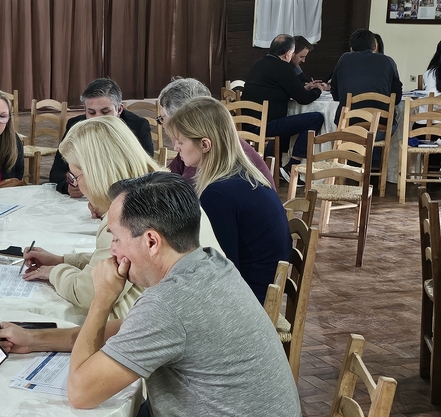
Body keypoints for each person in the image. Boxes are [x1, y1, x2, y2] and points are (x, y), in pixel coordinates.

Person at [0, 171, 305, 417]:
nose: (113, 251)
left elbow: (81, 392)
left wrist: (102, 298)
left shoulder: (170, 304)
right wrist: (35, 340)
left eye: (116, 239)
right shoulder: (207, 265)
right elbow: (125, 331)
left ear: (151, 241)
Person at [22, 116, 223, 316]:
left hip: (159, 321)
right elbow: (108, 262)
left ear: (95, 174)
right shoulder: (165, 189)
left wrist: (54, 272)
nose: (77, 186)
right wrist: (63, 260)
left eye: (74, 177)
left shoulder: (127, 213)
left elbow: (89, 293)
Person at [165, 96, 291, 302]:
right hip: (259, 287)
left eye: (180, 142)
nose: (176, 148)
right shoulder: (241, 175)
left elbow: (220, 270)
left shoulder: (219, 194)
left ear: (205, 144)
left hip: (248, 300)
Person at [158, 77, 275, 189]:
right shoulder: (198, 144)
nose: (163, 125)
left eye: (162, 118)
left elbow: (183, 195)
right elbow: (167, 179)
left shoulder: (205, 151)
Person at [50, 77, 155, 195]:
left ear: (119, 109)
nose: (98, 118)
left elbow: (146, 173)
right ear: (85, 110)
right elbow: (57, 172)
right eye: (91, 112)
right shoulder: (75, 126)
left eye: (105, 112)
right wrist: (67, 187)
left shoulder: (138, 126)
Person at [242, 34, 325, 179]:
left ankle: (278, 165)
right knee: (316, 118)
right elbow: (303, 99)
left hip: (247, 123)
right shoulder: (283, 67)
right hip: (265, 126)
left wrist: (304, 89)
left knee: (289, 118)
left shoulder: (258, 63)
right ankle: (292, 165)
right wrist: (319, 90)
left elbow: (278, 88)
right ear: (288, 54)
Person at [330, 28, 403, 124]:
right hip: (380, 122)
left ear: (351, 48)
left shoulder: (344, 59)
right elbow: (397, 97)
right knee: (395, 123)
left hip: (349, 122)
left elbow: (335, 93)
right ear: (375, 46)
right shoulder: (388, 61)